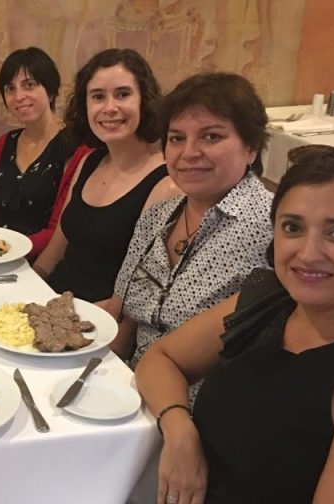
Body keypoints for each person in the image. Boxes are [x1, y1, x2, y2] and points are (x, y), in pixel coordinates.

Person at [135, 148, 334, 504]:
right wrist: (179, 428)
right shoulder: (270, 300)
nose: (308, 253)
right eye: (293, 227)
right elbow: (161, 359)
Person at [105, 72, 273, 374]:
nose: (189, 153)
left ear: (251, 147)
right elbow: (121, 319)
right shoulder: (157, 217)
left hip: (203, 398)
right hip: (131, 385)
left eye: (211, 136)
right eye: (177, 138)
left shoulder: (274, 227)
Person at [33, 48, 178, 302]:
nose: (109, 108)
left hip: (97, 317)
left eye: (122, 94)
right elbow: (54, 252)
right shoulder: (89, 161)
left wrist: (60, 316)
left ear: (144, 100)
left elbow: (143, 293)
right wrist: (25, 289)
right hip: (51, 301)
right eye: (98, 96)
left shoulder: (166, 183)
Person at [0, 47, 79, 258]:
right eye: (10, 89)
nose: (18, 96)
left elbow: (58, 229)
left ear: (51, 89)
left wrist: (6, 251)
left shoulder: (74, 146)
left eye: (29, 85)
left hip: (41, 260)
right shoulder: (4, 143)